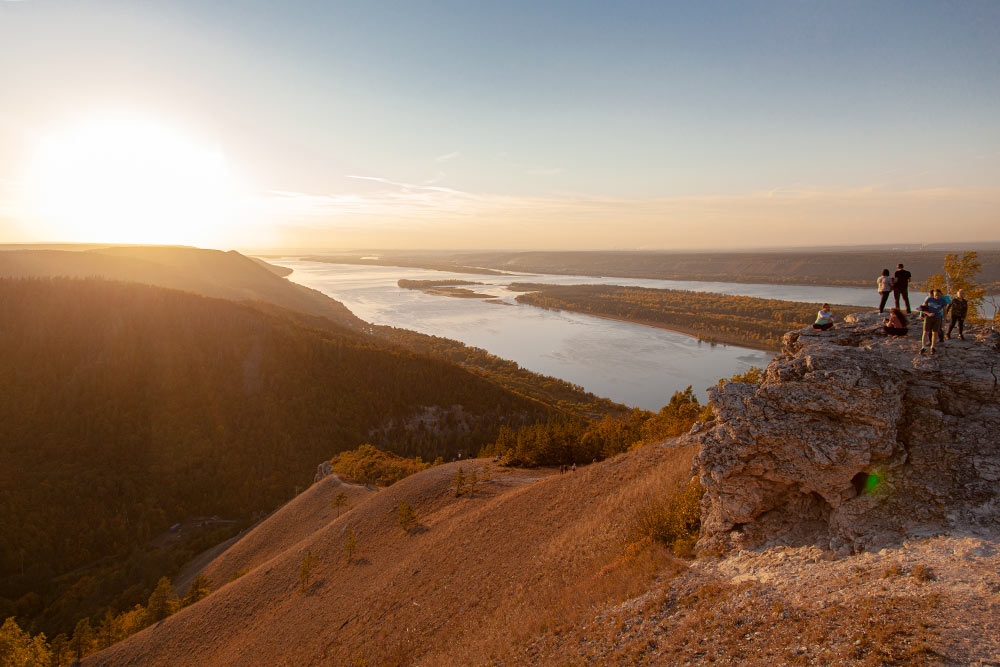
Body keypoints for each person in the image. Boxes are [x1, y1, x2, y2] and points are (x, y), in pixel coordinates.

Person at [918, 289, 947, 354]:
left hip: (937, 318)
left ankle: (933, 347)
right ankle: (923, 347)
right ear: (933, 294)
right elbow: (922, 308)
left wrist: (944, 320)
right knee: (925, 332)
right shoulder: (929, 299)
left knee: (935, 332)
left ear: (941, 294)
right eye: (936, 295)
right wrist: (928, 313)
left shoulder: (943, 301)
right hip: (928, 318)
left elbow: (945, 311)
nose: (937, 296)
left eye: (938, 295)